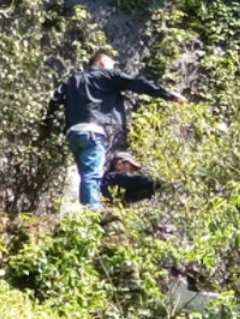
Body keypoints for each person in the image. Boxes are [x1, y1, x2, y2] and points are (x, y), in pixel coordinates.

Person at [43, 50, 185, 210]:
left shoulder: (72, 81)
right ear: (102, 63)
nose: (114, 67)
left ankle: (87, 210)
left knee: (86, 173)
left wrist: (46, 130)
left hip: (73, 134)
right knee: (92, 175)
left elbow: (54, 101)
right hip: (93, 132)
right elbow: (137, 83)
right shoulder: (107, 76)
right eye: (112, 64)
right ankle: (92, 213)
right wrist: (168, 95)